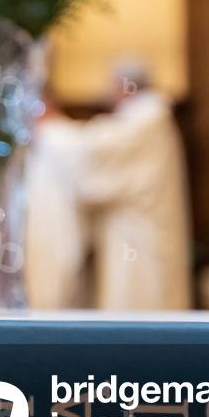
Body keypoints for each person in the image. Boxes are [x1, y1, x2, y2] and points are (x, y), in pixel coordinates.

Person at [26, 60, 191, 310]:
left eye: (112, 86)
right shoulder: (141, 118)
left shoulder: (149, 118)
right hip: (131, 236)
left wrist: (52, 127)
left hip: (142, 243)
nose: (106, 94)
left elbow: (91, 156)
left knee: (144, 315)